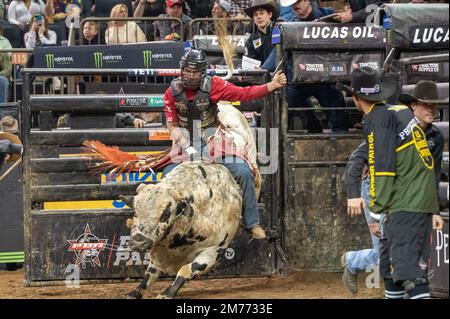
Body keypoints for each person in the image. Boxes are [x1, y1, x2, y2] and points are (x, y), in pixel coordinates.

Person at [336, 67, 444, 299]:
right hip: (393, 197)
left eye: (434, 105)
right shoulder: (398, 117)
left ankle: (353, 261)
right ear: (413, 106)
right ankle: (355, 262)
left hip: (398, 200)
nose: (431, 110)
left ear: (356, 98)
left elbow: (382, 168)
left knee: (407, 273)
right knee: (390, 266)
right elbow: (364, 162)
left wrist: (376, 210)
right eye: (426, 104)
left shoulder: (387, 119)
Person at [162, 48, 287, 239]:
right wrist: (183, 141)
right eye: (187, 70)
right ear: (181, 70)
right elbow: (172, 125)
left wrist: (271, 85)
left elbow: (244, 94)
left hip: (213, 138)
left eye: (195, 71)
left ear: (202, 72)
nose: (190, 75)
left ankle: (251, 223)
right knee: (167, 176)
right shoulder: (172, 92)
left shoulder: (214, 85)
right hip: (186, 139)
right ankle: (167, 226)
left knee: (243, 172)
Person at [244, 0, 279, 67]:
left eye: (261, 13)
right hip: (261, 75)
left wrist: (263, 69)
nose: (258, 17)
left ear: (270, 14)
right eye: (255, 15)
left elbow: (278, 54)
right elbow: (249, 61)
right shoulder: (251, 40)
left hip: (281, 74)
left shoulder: (278, 31)